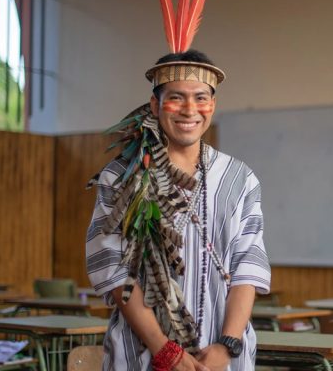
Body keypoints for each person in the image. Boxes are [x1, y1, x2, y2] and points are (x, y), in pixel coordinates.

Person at [85, 29, 270, 371]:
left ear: (212, 105)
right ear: (155, 105)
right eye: (176, 98)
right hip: (142, 355)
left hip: (223, 358)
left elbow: (247, 268)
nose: (190, 109)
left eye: (201, 97)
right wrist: (163, 349)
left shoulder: (240, 178)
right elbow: (114, 271)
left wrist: (226, 345)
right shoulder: (120, 176)